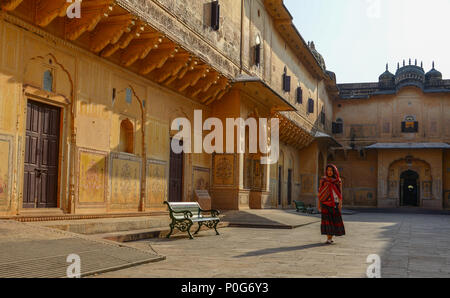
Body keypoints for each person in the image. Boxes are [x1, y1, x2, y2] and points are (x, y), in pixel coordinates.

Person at [318, 164, 346, 244]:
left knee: (333, 221)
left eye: (331, 170)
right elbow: (320, 192)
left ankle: (330, 237)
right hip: (325, 203)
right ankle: (328, 238)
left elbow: (340, 193)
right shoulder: (323, 180)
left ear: (334, 171)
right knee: (327, 221)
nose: (329, 172)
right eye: (328, 170)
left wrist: (340, 204)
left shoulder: (338, 181)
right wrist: (319, 204)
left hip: (335, 203)